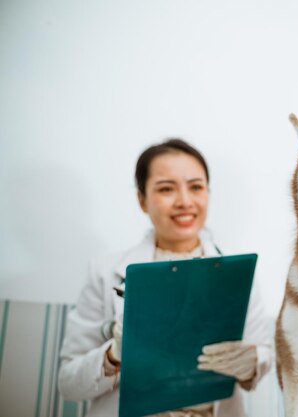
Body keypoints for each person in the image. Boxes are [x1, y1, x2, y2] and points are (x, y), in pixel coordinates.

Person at [58, 139, 272, 417]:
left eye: (196, 187)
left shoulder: (238, 273)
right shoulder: (103, 271)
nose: (185, 201)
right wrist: (114, 354)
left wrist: (254, 361)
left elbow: (265, 352)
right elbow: (68, 384)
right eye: (166, 189)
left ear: (208, 193)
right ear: (142, 200)